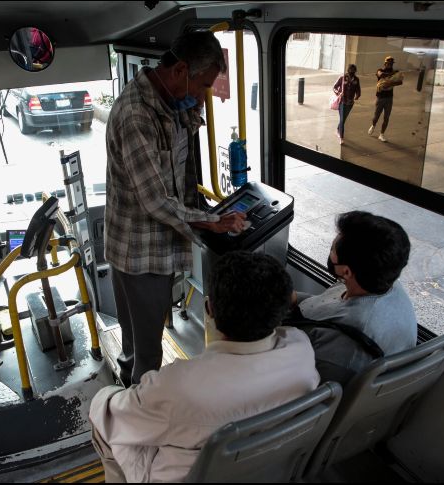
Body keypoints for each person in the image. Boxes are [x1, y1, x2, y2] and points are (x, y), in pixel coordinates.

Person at [89, 251, 320, 483]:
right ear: (281, 310)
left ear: (209, 309)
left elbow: (111, 418)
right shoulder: (302, 350)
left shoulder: (177, 385)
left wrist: (107, 396)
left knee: (104, 417)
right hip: (267, 468)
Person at [104, 30, 246, 387]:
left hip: (157, 245)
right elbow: (154, 200)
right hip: (139, 252)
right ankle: (140, 414)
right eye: (201, 86)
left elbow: (181, 166)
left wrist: (192, 108)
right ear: (180, 70)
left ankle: (130, 388)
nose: (203, 96)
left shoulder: (171, 103)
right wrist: (211, 222)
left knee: (139, 339)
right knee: (147, 351)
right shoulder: (136, 115)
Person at [292, 211, 417, 385]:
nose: (331, 250)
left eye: (332, 249)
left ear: (346, 271)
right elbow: (329, 305)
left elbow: (311, 387)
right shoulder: (380, 281)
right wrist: (293, 297)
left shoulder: (349, 341)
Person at [368, 56, 403, 143]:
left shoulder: (395, 72)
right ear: (385, 63)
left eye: (391, 63)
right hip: (380, 98)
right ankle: (373, 125)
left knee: (386, 117)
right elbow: (381, 75)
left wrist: (391, 83)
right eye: (388, 63)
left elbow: (400, 82)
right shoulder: (380, 70)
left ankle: (382, 134)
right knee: (376, 116)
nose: (390, 65)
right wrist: (392, 74)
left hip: (389, 98)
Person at [333, 64, 361, 145]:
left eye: (353, 71)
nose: (352, 72)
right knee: (342, 120)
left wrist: (357, 95)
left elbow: (358, 90)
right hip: (342, 102)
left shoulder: (356, 80)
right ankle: (341, 138)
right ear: (348, 70)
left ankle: (338, 129)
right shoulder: (342, 78)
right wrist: (338, 93)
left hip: (350, 103)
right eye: (350, 70)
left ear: (355, 71)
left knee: (343, 119)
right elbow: (334, 87)